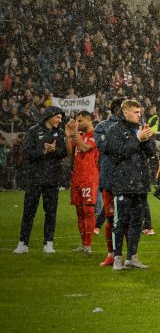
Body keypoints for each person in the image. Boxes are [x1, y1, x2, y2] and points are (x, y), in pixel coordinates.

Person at [105, 99, 157, 270]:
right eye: (135, 112)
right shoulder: (114, 131)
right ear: (125, 112)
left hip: (140, 183)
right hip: (123, 183)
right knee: (119, 222)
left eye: (139, 112)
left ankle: (132, 257)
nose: (139, 115)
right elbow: (118, 154)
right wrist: (137, 139)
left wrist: (147, 138)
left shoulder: (139, 129)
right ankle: (117, 258)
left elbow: (150, 153)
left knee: (137, 221)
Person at [13, 105, 66, 255]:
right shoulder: (33, 131)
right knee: (29, 212)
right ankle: (23, 243)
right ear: (49, 116)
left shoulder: (60, 133)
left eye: (61, 118)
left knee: (51, 213)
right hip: (34, 178)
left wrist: (54, 150)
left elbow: (63, 153)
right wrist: (43, 150)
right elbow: (27, 152)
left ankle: (48, 243)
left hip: (52, 179)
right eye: (58, 117)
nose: (59, 121)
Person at [66, 111, 99, 254]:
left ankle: (88, 245)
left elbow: (85, 147)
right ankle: (83, 243)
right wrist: (68, 136)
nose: (77, 124)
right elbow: (69, 153)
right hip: (77, 178)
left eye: (80, 121)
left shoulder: (95, 135)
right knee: (79, 212)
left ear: (88, 121)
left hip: (89, 177)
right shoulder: (81, 136)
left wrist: (74, 132)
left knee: (88, 211)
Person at [92, 100, 119, 266]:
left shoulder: (134, 126)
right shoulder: (102, 127)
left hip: (129, 180)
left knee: (129, 219)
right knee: (110, 218)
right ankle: (112, 254)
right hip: (109, 178)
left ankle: (130, 256)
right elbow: (104, 146)